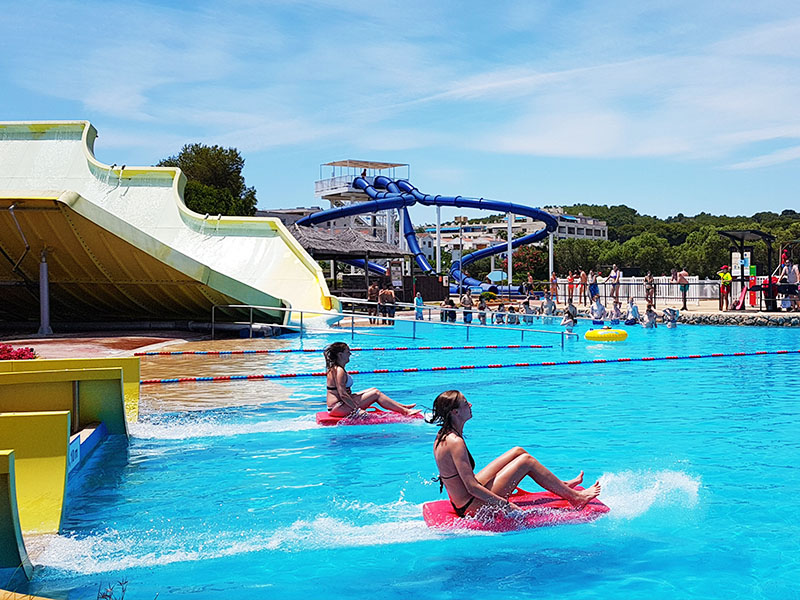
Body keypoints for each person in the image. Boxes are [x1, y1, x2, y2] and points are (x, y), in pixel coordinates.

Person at [428, 390, 601, 518]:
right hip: (470, 505)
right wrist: (506, 506)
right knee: (526, 461)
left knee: (518, 451)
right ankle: (576, 498)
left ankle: (560, 485)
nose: (470, 405)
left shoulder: (445, 435)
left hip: (463, 498)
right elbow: (471, 487)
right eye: (466, 403)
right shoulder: (455, 442)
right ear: (455, 412)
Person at [324, 342, 420, 418]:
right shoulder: (339, 370)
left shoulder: (336, 368)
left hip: (339, 406)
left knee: (374, 390)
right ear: (340, 355)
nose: (350, 353)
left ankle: (402, 407)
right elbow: (343, 394)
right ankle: (406, 412)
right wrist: (357, 410)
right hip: (338, 408)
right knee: (375, 394)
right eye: (347, 352)